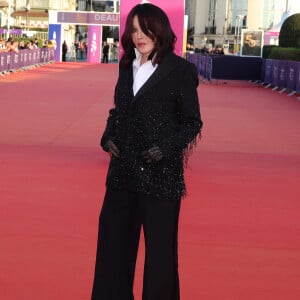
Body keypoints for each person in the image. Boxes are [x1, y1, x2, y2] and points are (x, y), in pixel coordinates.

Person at [91, 3, 203, 300]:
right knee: (112, 251)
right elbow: (120, 110)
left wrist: (165, 149)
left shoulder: (181, 71)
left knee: (160, 258)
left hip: (161, 177)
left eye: (145, 29)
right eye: (134, 30)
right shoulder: (126, 65)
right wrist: (108, 134)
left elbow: (192, 123)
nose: (139, 36)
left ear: (160, 29)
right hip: (122, 173)